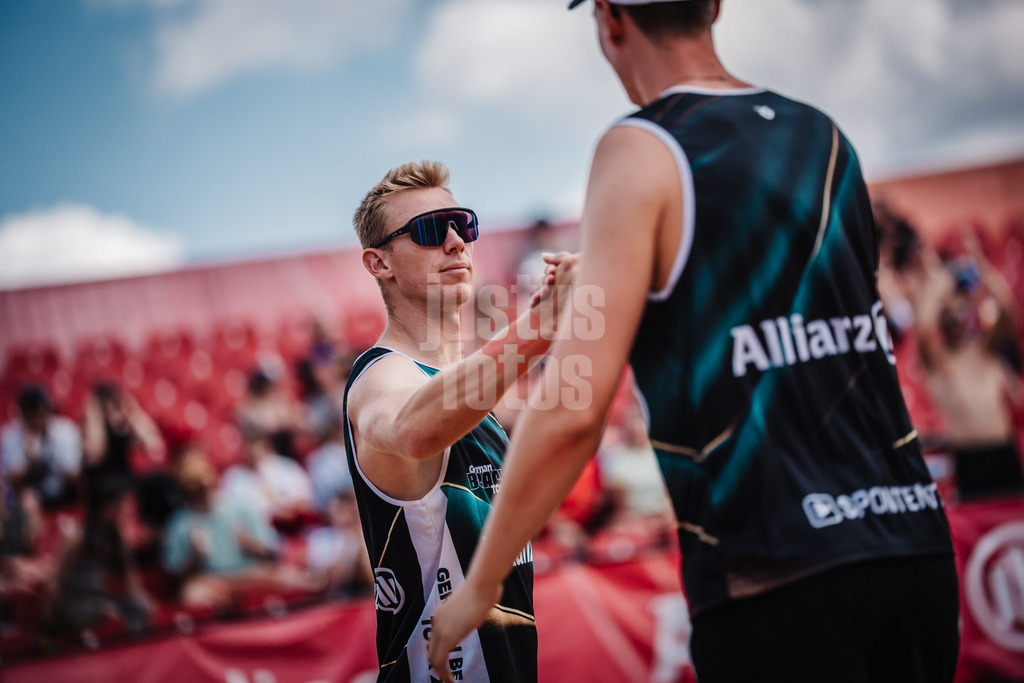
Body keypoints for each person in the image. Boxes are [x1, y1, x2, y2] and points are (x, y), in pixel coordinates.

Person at [428, 2, 959, 682]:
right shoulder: (825, 136)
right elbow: (817, 322)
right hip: (914, 548)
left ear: (610, 20)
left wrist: (480, 584)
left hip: (777, 575)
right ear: (713, 6)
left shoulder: (640, 148)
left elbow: (571, 407)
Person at [346, 160, 573, 681]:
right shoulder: (382, 377)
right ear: (379, 264)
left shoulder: (468, 387)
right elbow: (412, 428)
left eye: (463, 224)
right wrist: (542, 326)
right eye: (428, 230)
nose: (455, 241)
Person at [1, 384, 82, 510]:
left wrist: (52, 455)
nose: (39, 414)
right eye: (33, 410)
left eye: (43, 409)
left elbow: (74, 476)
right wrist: (32, 462)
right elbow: (13, 481)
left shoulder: (66, 431)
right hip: (26, 501)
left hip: (62, 496)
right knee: (27, 497)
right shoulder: (10, 436)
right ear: (23, 412)